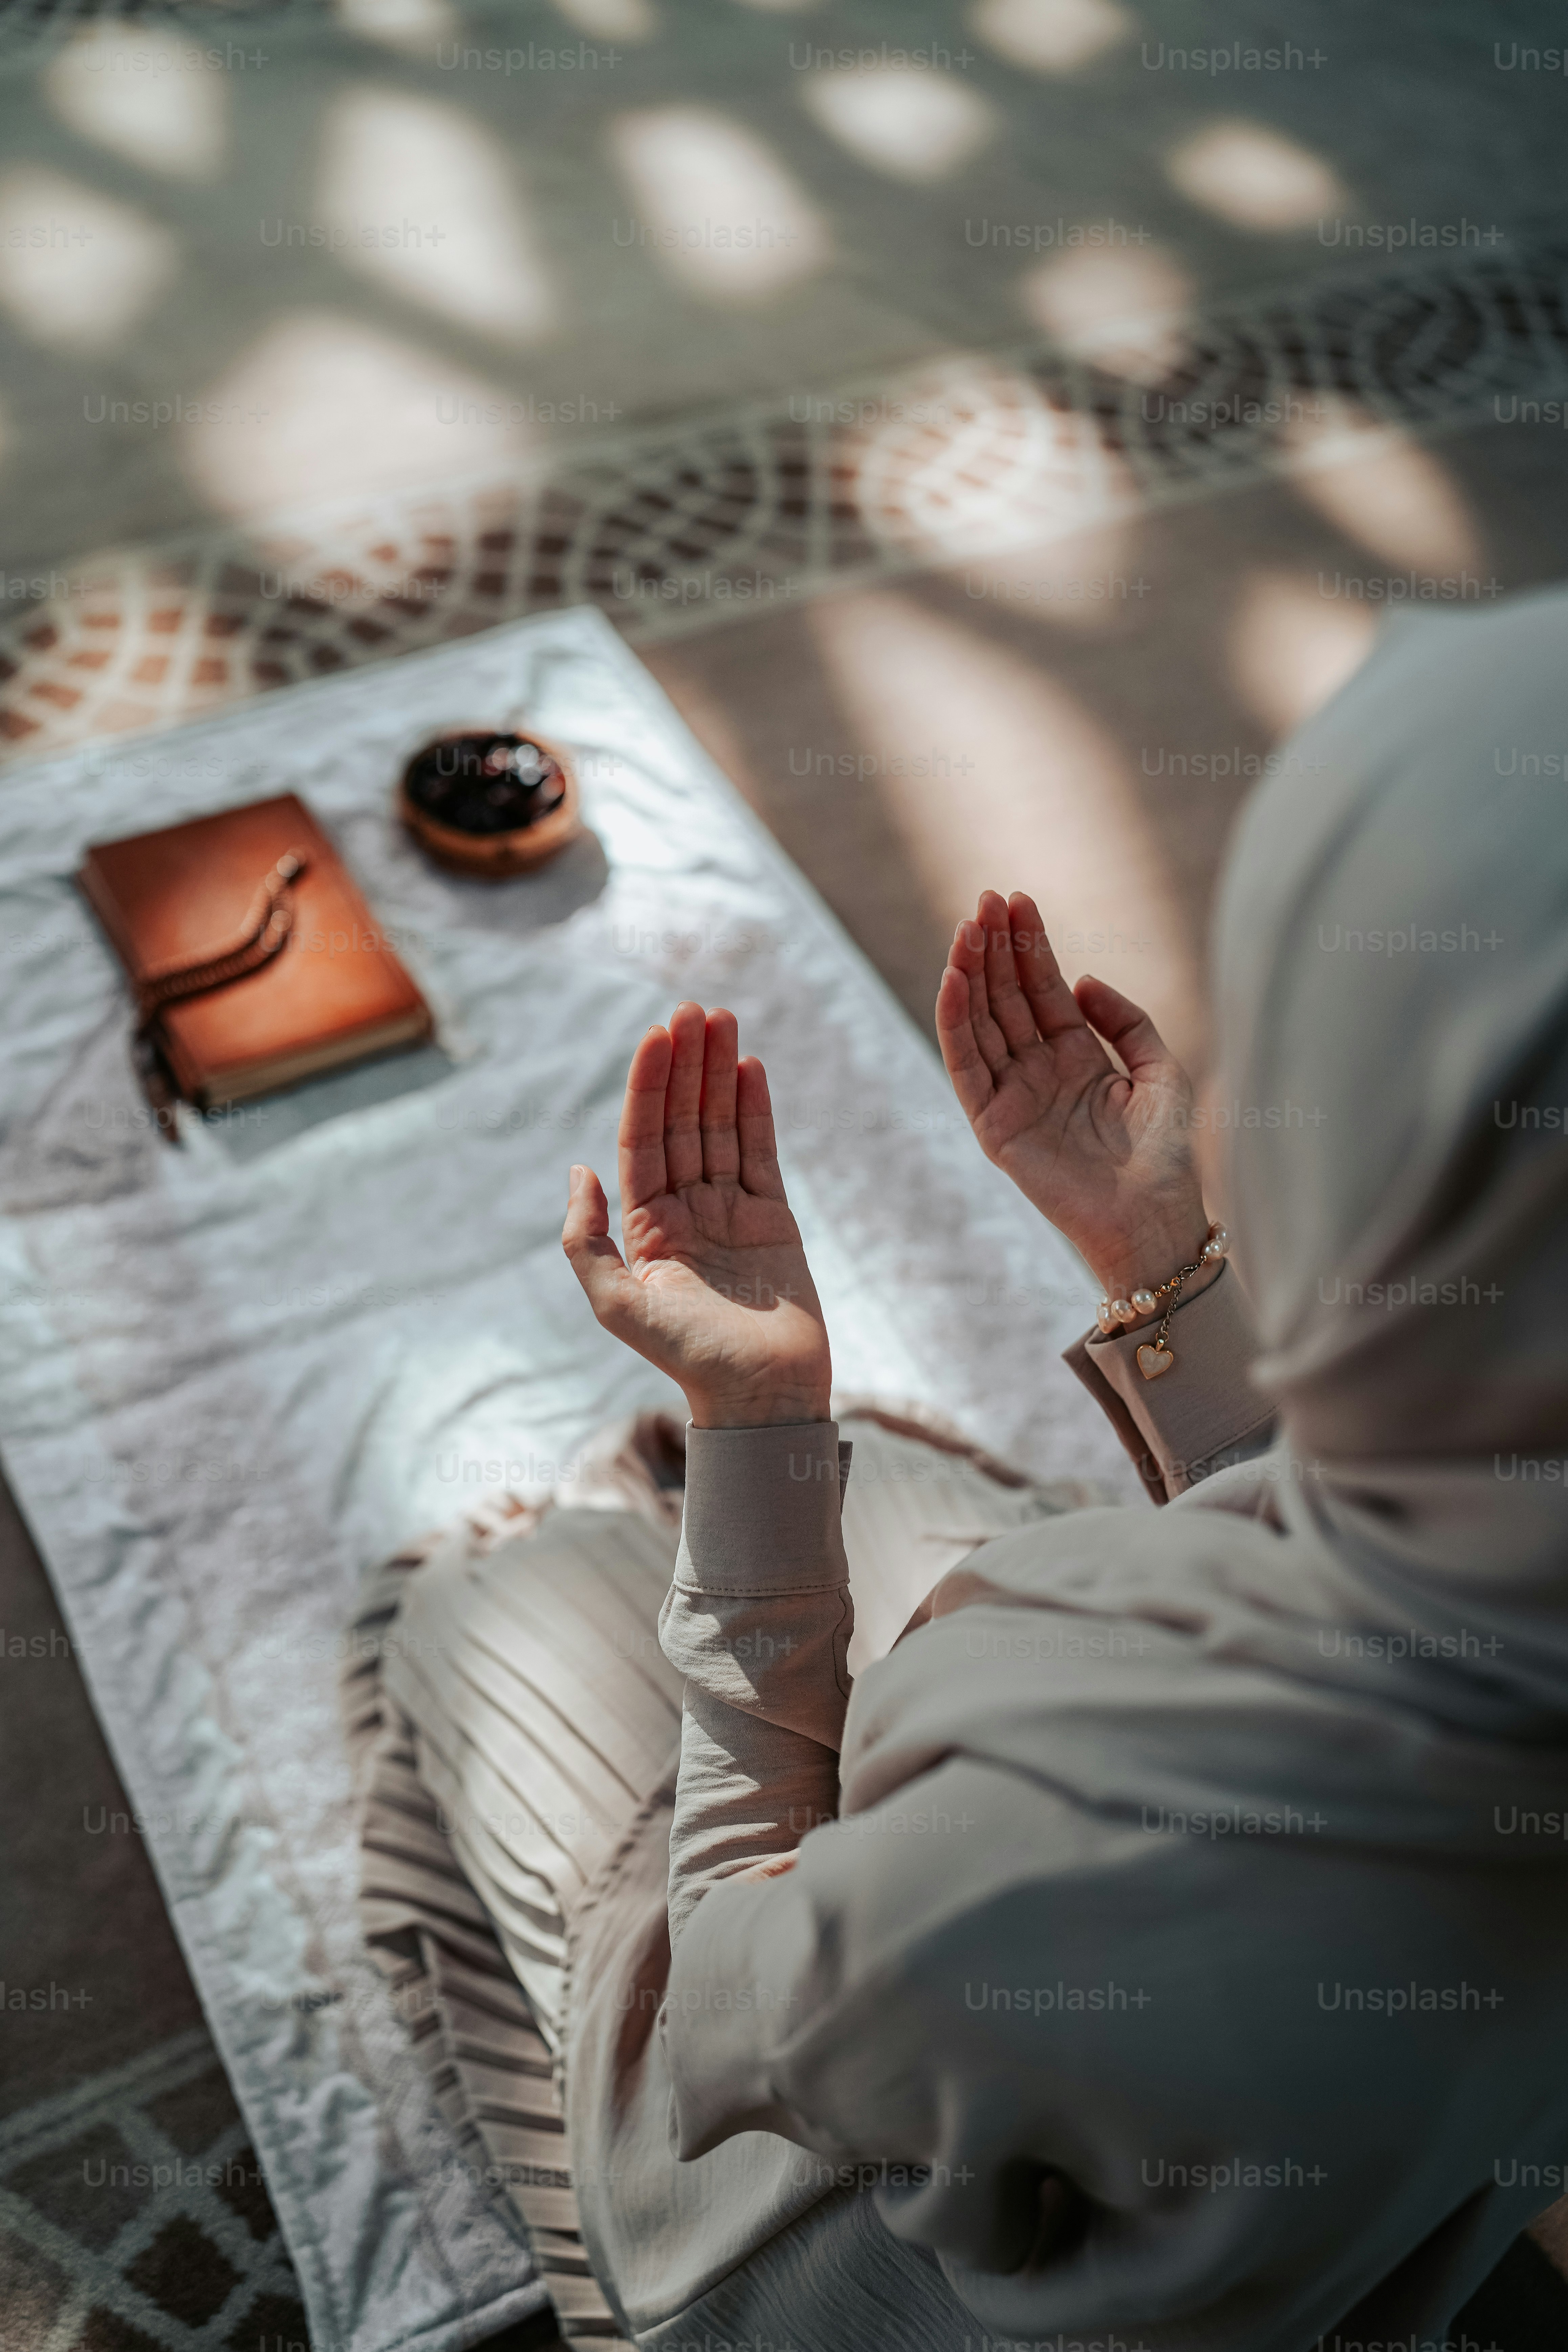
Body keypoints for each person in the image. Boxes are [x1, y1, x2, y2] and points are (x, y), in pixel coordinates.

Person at [351, 591, 1568, 2351]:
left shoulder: (1074, 1856)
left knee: (491, 1603)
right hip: (1246, 2165)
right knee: (889, 1502)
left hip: (787, 2235)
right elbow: (1420, 1523)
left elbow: (723, 2011)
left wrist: (756, 1420)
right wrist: (1159, 1266)